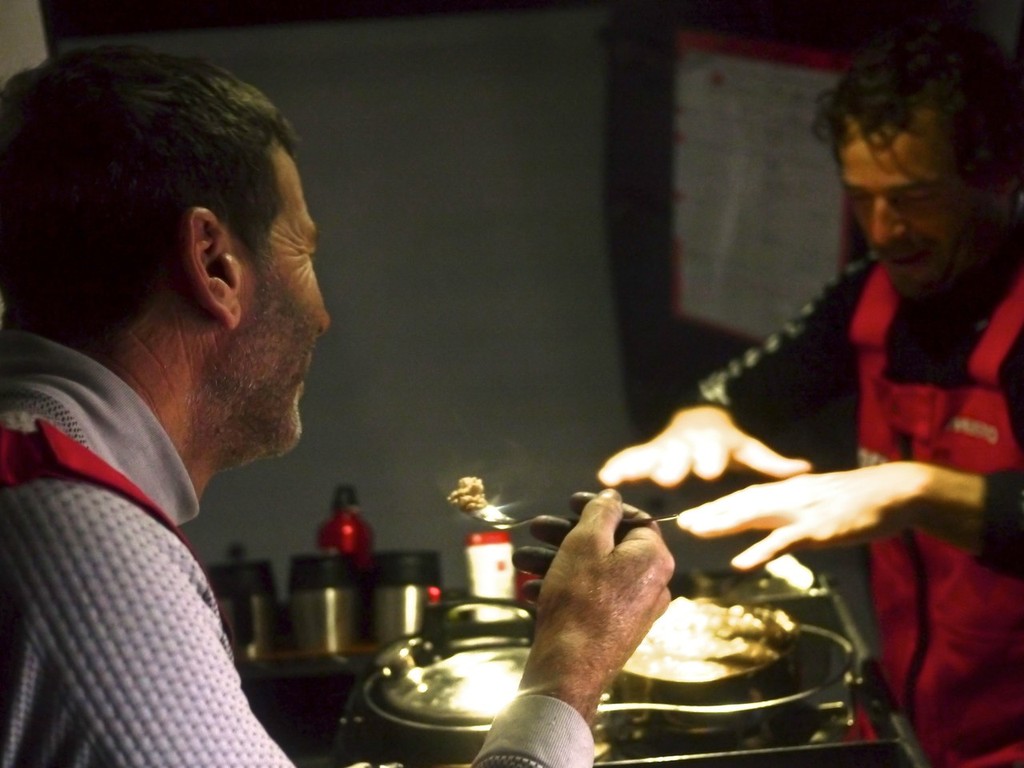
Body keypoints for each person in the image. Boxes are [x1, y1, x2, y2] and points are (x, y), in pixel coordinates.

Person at [0, 46, 675, 768]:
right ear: (215, 264)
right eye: (305, 254)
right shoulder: (79, 545)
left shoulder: (52, 489)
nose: (320, 315)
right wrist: (569, 672)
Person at [598, 18, 1024, 768]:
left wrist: (915, 490)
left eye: (916, 196)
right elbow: (744, 388)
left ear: (999, 173)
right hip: (923, 720)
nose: (887, 231)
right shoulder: (871, 293)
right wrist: (707, 416)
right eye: (863, 200)